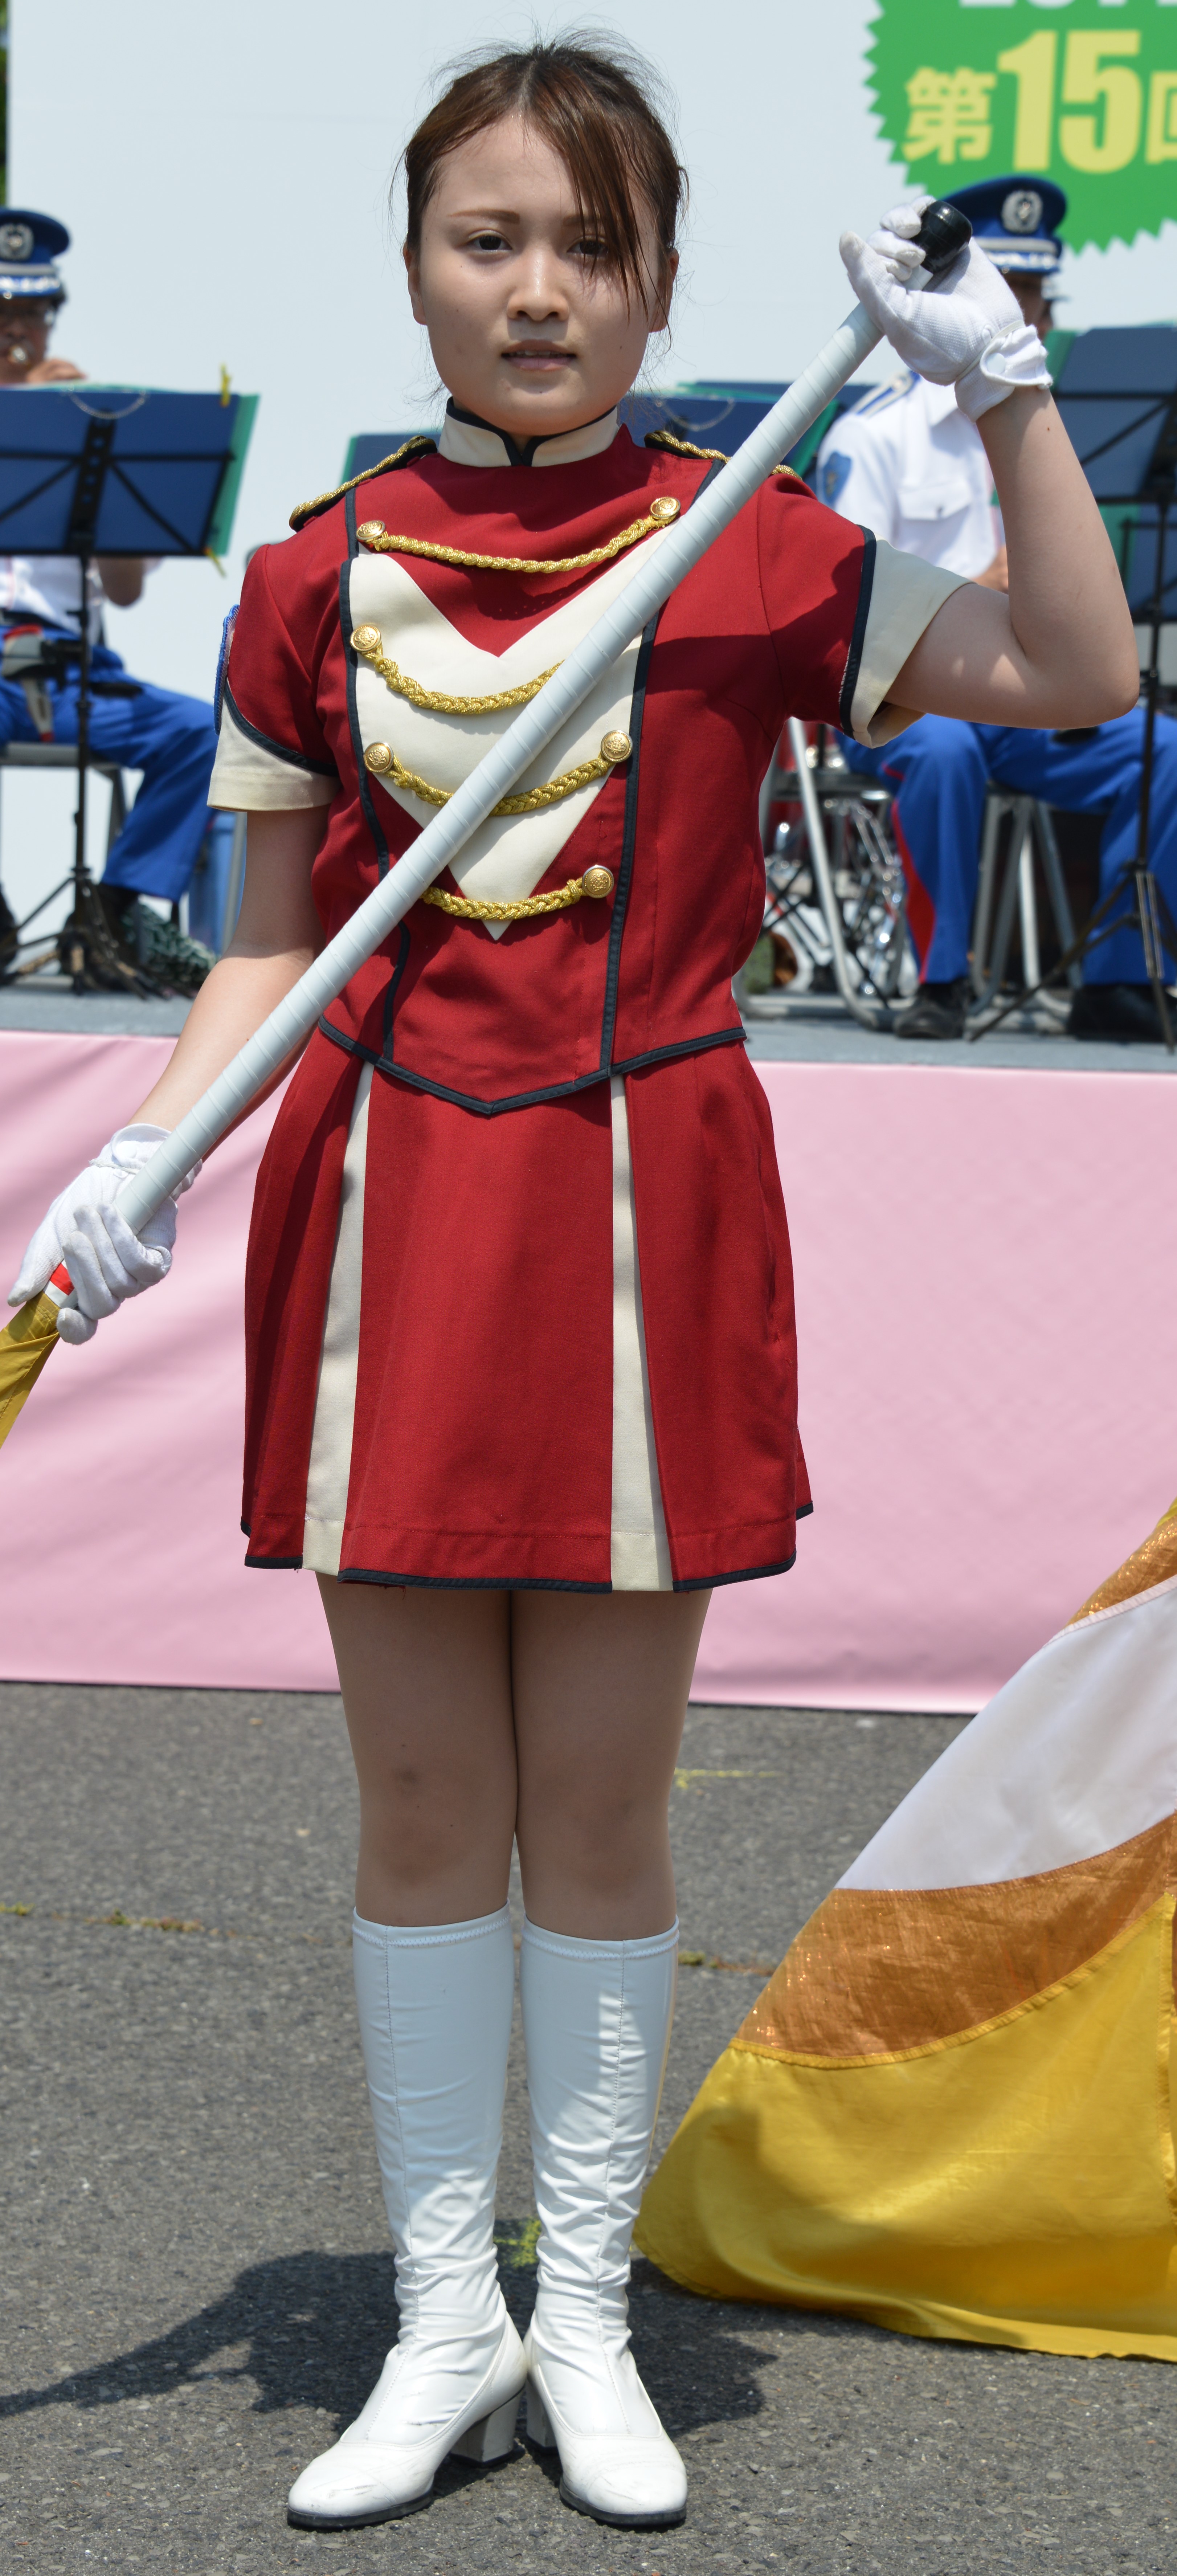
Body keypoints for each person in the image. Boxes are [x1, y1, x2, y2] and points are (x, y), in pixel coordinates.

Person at [7, 44, 1136, 2535]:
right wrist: (149, 1153)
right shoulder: (306, 578)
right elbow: (265, 945)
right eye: (490, 239)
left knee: (602, 1807)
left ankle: (589, 2313)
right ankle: (445, 2319)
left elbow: (1080, 677)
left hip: (647, 1208)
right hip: (387, 1216)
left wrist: (1009, 396)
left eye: (593, 248)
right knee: (423, 1798)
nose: (539, 291)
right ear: (414, 266)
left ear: (661, 285)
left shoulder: (756, 546)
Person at [815, 178, 1174, 1042]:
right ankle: (939, 980)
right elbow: (846, 620)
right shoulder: (872, 434)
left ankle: (1120, 979)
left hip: (1018, 702)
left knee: (1162, 749)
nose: (1021, 315)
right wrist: (979, 586)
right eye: (1004, 289)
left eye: (1033, 296)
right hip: (905, 707)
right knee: (941, 751)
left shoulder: (1048, 435)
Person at [0, 209, 219, 984]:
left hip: (70, 671)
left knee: (200, 731)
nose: (18, 330)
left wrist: (98, 461)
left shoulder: (87, 422)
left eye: (33, 313)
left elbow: (123, 593)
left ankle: (112, 912)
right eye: (3, 312)